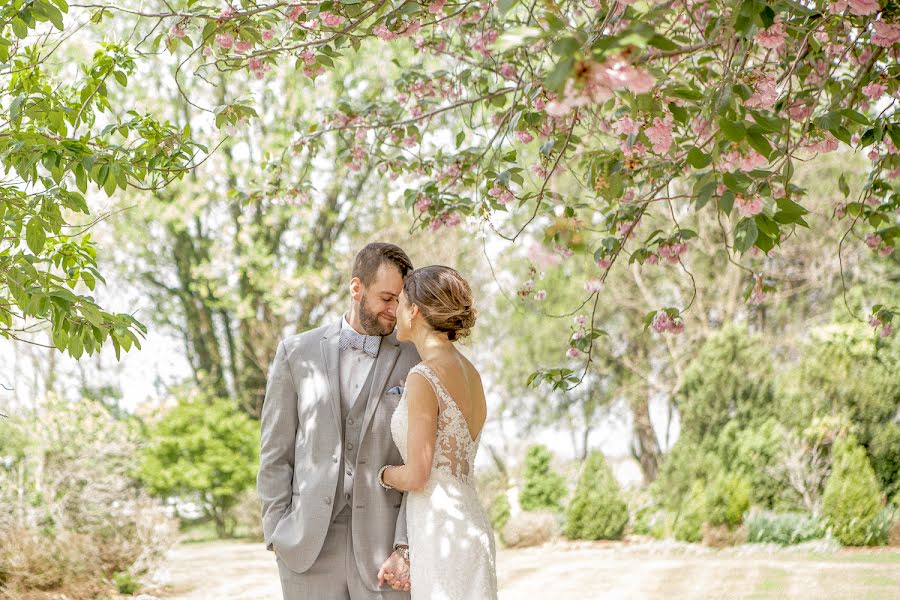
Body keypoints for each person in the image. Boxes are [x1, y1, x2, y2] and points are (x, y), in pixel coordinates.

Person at [258, 242, 420, 599]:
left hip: (385, 551)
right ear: (356, 287)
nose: (395, 311)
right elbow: (275, 452)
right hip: (306, 547)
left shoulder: (414, 356)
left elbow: (423, 460)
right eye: (387, 298)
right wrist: (276, 531)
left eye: (401, 301)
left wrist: (406, 544)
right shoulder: (296, 352)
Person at [378, 265, 498, 599]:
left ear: (414, 310)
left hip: (441, 531)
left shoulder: (423, 376)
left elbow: (418, 475)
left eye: (400, 302)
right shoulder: (472, 374)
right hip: (470, 523)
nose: (395, 311)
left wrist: (383, 474)